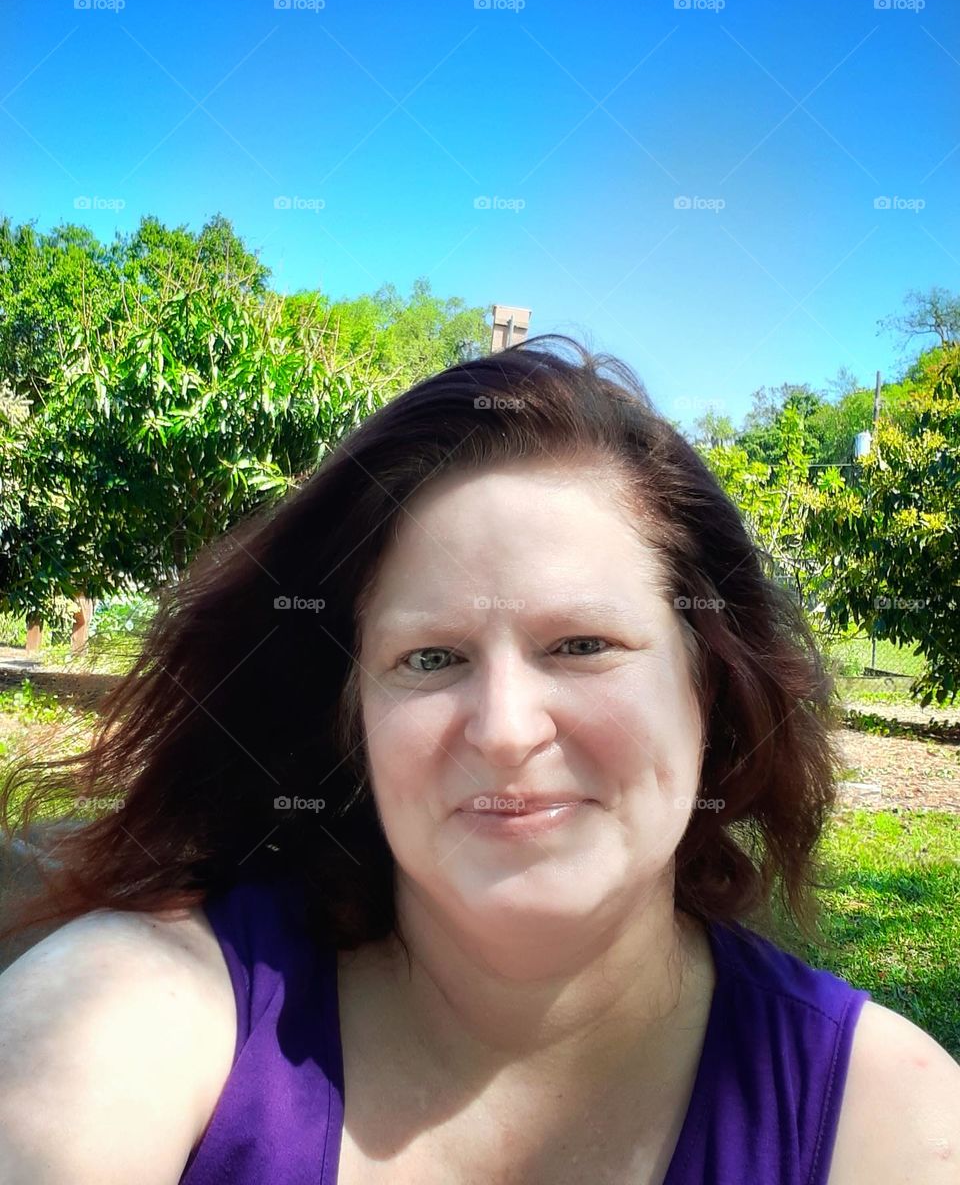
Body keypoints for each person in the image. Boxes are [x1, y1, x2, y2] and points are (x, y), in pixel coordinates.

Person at [0, 335, 956, 1185]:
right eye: (430, 658)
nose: (504, 730)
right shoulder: (137, 1011)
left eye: (582, 645)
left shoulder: (889, 1119)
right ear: (353, 717)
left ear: (709, 688)